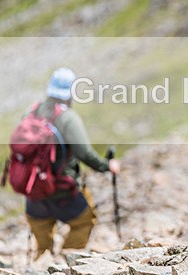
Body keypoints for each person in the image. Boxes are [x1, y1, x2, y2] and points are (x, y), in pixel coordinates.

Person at [24, 67, 121, 256]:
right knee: (85, 220)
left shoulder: (31, 112)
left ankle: (42, 262)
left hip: (33, 191)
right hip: (62, 190)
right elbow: (84, 152)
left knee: (41, 231)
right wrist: (105, 166)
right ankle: (66, 260)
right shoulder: (67, 118)